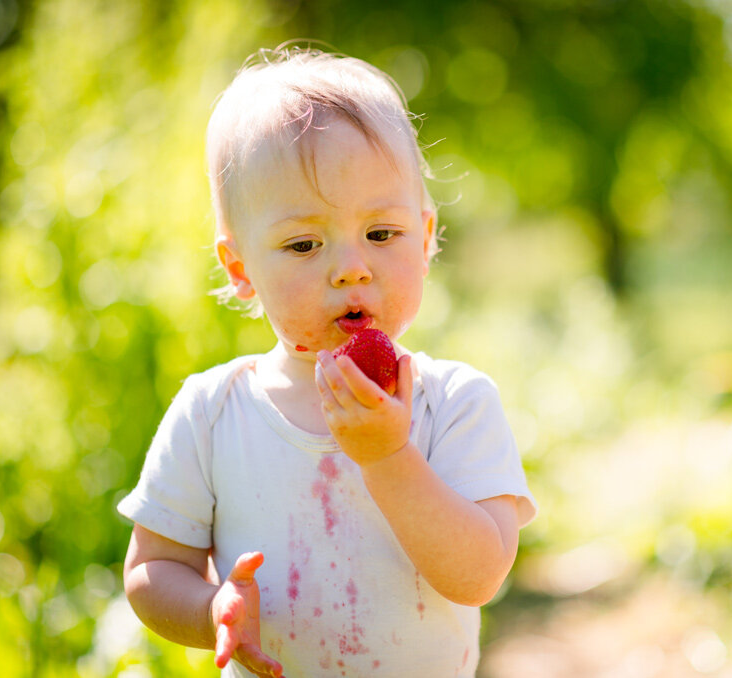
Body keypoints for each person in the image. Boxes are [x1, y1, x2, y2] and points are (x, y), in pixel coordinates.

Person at [118, 46, 537, 678]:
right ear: (241, 269)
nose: (350, 268)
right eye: (304, 243)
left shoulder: (453, 404)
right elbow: (152, 569)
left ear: (424, 240)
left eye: (380, 234)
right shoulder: (213, 413)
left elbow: (479, 574)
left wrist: (388, 458)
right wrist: (212, 609)